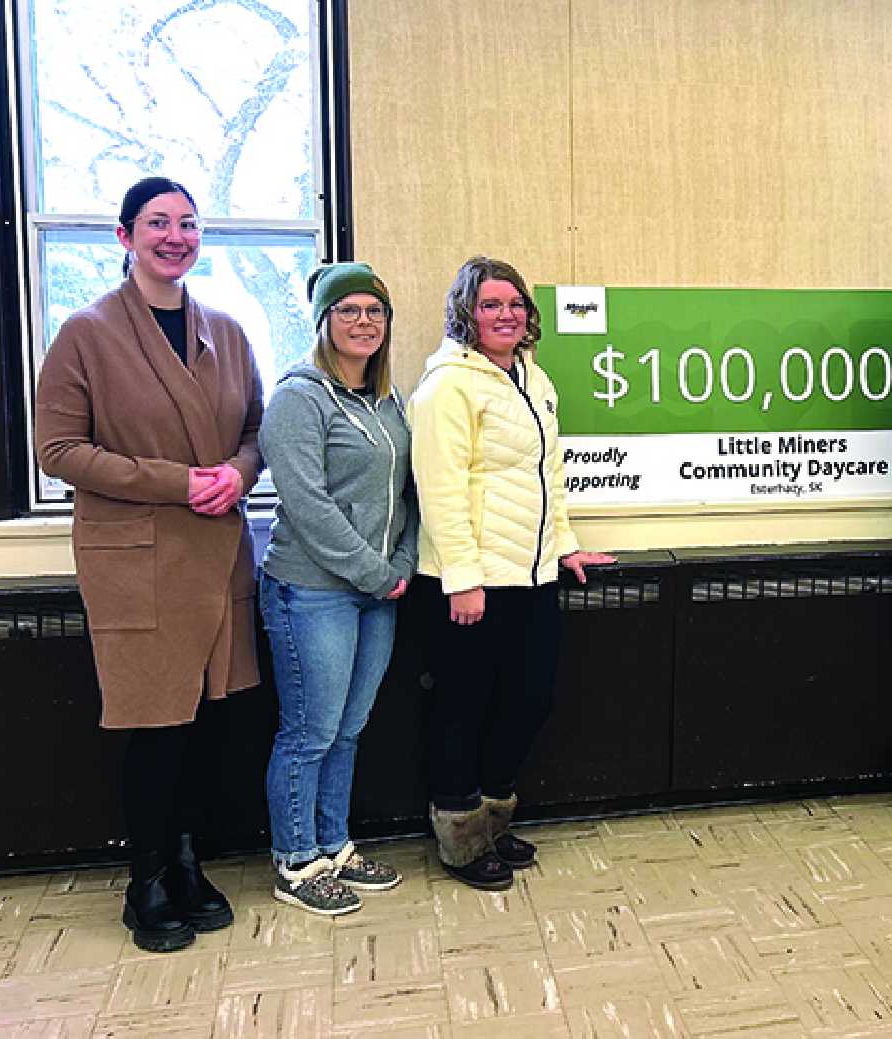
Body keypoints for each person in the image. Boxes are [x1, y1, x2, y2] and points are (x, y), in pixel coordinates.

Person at [35, 176, 263, 952]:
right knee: (155, 728)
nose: (177, 235)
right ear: (125, 236)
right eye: (158, 223)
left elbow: (255, 431)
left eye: (190, 223)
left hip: (217, 554)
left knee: (206, 726)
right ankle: (147, 880)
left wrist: (239, 472)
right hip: (137, 557)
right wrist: (177, 482)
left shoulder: (226, 332)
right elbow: (59, 450)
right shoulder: (86, 332)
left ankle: (191, 862)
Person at [408, 256, 613, 888]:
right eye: (490, 304)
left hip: (532, 576)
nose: (505, 315)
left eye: (515, 304)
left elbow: (548, 475)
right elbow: (439, 488)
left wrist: (565, 545)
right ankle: (462, 838)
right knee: (462, 708)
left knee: (530, 699)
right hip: (470, 583)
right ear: (466, 313)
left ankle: (494, 817)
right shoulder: (447, 386)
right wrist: (462, 578)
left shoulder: (533, 377)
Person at [257, 262, 418, 915]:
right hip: (312, 590)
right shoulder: (299, 397)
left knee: (349, 727)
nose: (363, 323)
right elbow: (310, 506)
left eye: (374, 312)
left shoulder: (389, 401)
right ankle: (295, 862)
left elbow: (407, 493)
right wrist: (380, 572)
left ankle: (333, 845)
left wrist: (401, 560)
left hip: (378, 590)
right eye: (348, 311)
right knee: (310, 730)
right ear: (324, 321)